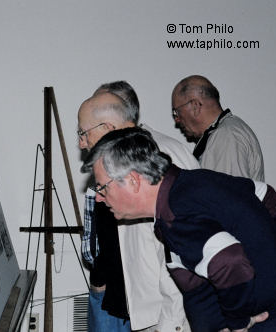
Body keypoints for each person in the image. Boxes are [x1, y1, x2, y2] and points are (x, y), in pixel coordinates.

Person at [81, 126, 276, 332]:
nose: (99, 198)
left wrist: (238, 323)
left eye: (102, 187)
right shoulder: (194, 182)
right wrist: (265, 256)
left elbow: (229, 260)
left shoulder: (176, 215)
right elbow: (266, 195)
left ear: (133, 181)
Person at [78, 81, 198, 331]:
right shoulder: (115, 158)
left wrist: (171, 324)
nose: (81, 143)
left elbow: (180, 256)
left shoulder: (160, 155)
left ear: (108, 128)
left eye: (84, 133)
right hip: (133, 307)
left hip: (161, 316)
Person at [171, 75, 264, 181]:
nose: (177, 120)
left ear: (195, 106)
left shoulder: (226, 136)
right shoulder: (227, 131)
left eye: (176, 112)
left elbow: (226, 194)